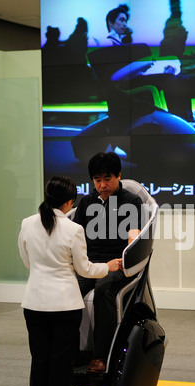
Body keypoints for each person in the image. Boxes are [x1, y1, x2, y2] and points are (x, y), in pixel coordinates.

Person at [18, 175, 121, 386]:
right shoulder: (74, 229)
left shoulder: (28, 223)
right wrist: (106, 267)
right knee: (61, 360)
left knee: (39, 358)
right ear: (69, 202)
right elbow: (84, 269)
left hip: (34, 302)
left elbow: (27, 262)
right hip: (64, 304)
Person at [73, 152, 142, 373]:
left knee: (104, 290)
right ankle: (70, 352)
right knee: (68, 288)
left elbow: (134, 236)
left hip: (118, 264)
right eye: (97, 180)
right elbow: (75, 236)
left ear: (119, 175)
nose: (102, 185)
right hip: (90, 264)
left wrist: (124, 258)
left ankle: (101, 356)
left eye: (107, 178)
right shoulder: (86, 202)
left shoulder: (132, 201)